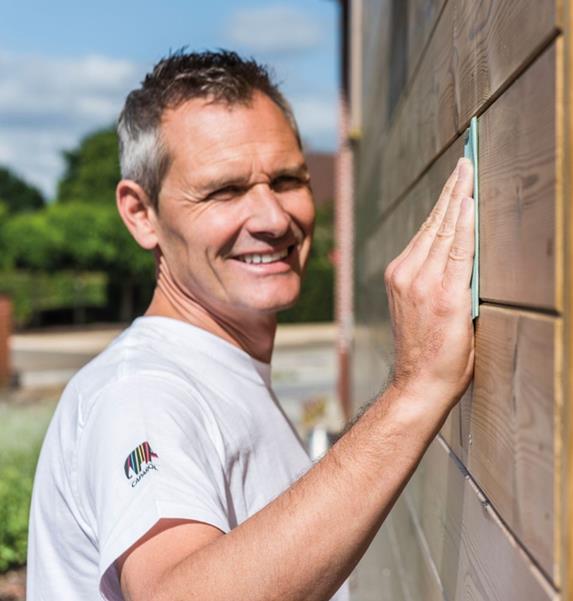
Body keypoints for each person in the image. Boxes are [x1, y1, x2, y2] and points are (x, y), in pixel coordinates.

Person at [26, 50, 475, 601]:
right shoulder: (141, 393)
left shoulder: (215, 371)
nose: (272, 218)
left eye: (287, 180)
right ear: (142, 214)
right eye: (225, 190)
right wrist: (415, 389)